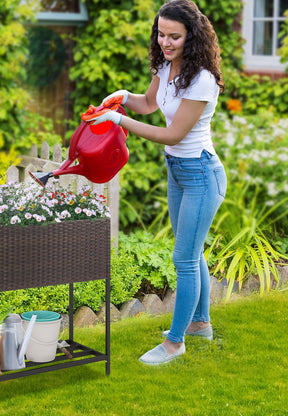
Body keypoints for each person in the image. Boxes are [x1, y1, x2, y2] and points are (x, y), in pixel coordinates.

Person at [87, 0, 227, 365]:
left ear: (191, 37)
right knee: (192, 254)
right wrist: (122, 97)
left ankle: (175, 342)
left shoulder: (202, 80)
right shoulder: (166, 67)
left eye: (174, 36)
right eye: (161, 34)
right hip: (178, 173)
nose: (166, 42)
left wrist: (118, 121)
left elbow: (174, 135)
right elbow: (149, 103)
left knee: (183, 258)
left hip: (200, 173)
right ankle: (201, 323)